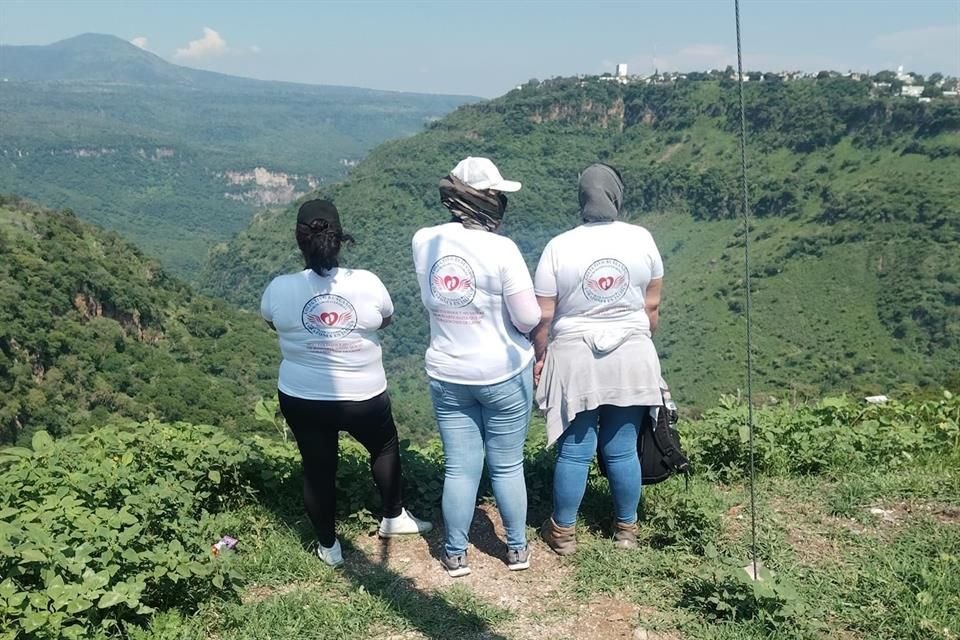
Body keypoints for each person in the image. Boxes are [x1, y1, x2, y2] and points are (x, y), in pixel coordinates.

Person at [260, 198, 432, 568]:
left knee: (318, 468)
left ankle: (328, 547)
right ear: (340, 238)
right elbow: (384, 320)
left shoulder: (279, 288)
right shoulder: (367, 282)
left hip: (302, 396)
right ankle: (393, 516)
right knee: (384, 446)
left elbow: (273, 322)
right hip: (363, 395)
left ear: (298, 240)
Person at [412, 157, 540, 577]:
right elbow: (528, 318)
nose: (502, 201)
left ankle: (454, 553)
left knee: (459, 466)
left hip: (448, 372)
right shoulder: (502, 249)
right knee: (506, 464)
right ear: (484, 199)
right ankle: (517, 549)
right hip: (503, 371)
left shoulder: (424, 241)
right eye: (497, 194)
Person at [532, 163, 664, 555]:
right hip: (632, 352)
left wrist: (541, 356)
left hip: (574, 356)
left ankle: (564, 533)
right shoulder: (642, 239)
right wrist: (635, 340)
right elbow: (652, 307)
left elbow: (544, 315)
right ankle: (626, 530)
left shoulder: (559, 245)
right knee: (622, 447)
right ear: (616, 195)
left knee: (575, 449)